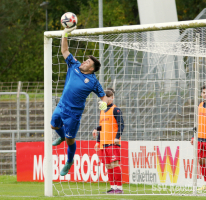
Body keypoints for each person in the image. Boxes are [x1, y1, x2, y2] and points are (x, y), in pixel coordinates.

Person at [51, 26, 108, 176]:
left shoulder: (93, 82)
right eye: (86, 60)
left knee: (71, 141)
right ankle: (61, 136)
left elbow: (104, 98)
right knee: (53, 125)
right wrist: (65, 34)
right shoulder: (74, 65)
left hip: (74, 114)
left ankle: (69, 161)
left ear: (91, 69)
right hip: (62, 105)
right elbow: (65, 51)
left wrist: (103, 104)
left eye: (88, 62)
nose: (84, 61)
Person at [93, 88, 124, 194]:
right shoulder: (102, 110)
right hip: (104, 143)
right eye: (104, 98)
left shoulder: (116, 110)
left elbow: (121, 125)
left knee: (115, 164)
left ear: (112, 98)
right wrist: (97, 140)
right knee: (108, 166)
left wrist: (117, 137)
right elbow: (102, 127)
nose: (105, 99)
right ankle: (113, 187)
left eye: (107, 97)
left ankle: (119, 188)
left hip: (113, 142)